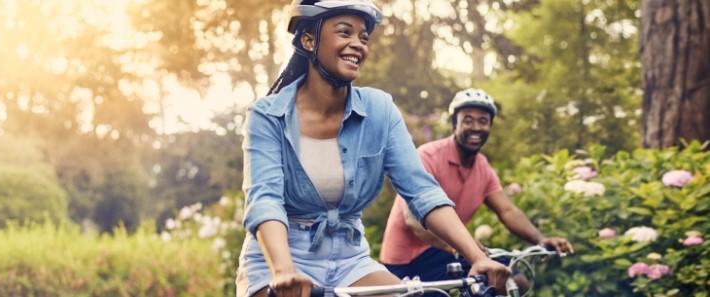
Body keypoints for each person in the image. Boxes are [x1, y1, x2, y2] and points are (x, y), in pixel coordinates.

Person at [235, 1, 510, 297]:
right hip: (279, 258)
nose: (357, 45)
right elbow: (265, 199)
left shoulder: (380, 109)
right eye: (345, 33)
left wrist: (477, 257)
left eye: (363, 37)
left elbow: (422, 191)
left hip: (349, 259)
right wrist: (283, 271)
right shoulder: (267, 115)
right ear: (309, 40)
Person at [380, 88, 575, 296]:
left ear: (490, 126)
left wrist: (540, 239)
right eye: (468, 120)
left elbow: (507, 210)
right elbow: (414, 221)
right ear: (455, 123)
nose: (476, 127)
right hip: (407, 260)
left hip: (449, 251)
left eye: (483, 121)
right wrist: (464, 248)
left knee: (513, 280)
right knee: (484, 283)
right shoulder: (428, 156)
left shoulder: (482, 167)